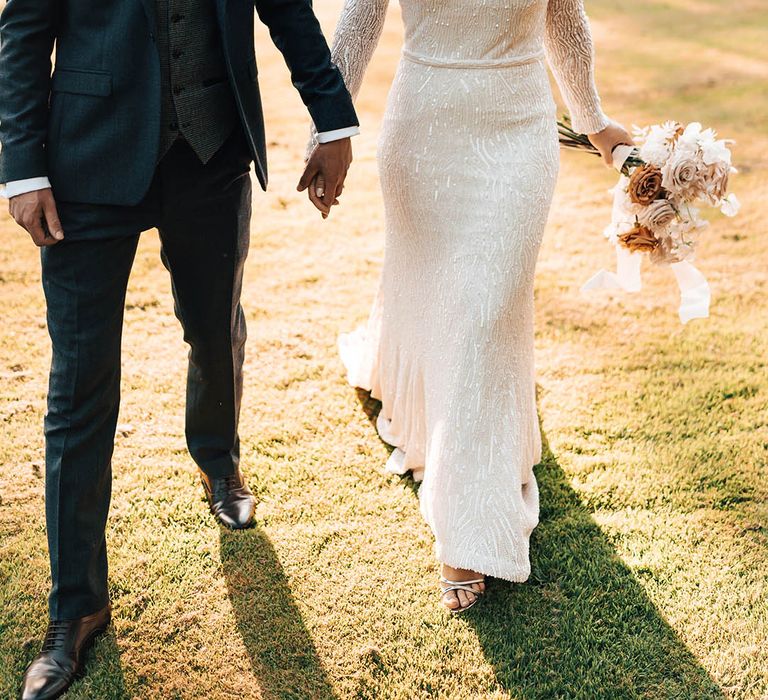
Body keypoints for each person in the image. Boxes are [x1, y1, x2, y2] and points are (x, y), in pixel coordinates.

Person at [0, 0, 358, 697]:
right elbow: (22, 30)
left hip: (211, 151)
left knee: (213, 327)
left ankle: (219, 463)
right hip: (85, 163)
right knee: (79, 385)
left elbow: (287, 9)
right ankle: (76, 602)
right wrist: (23, 169)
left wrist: (333, 116)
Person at [320, 0, 633, 613]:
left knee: (486, 314)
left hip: (518, 133)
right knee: (429, 291)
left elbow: (563, 18)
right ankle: (405, 383)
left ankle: (466, 531)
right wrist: (327, 128)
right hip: (425, 128)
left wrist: (593, 120)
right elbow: (360, 17)